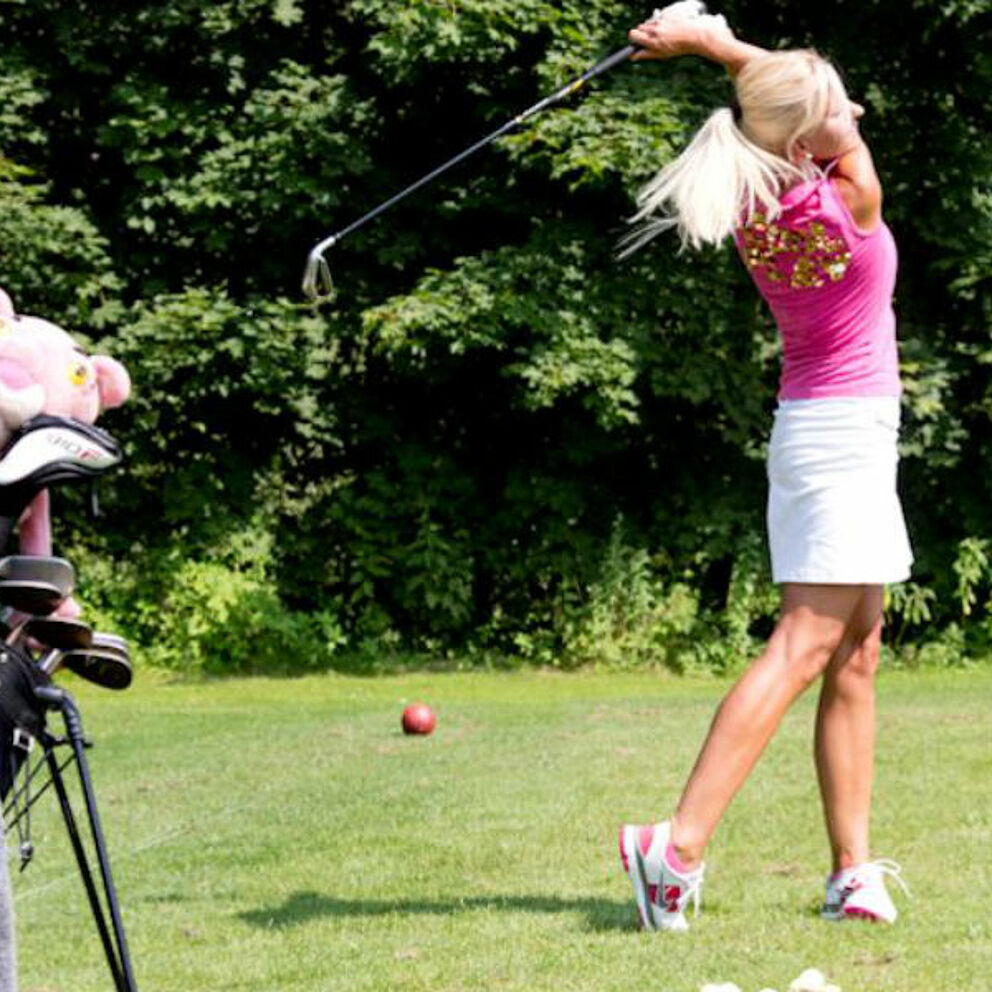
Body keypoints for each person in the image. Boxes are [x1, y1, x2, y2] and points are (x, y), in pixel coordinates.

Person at [617, 10, 912, 931]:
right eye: (836, 108)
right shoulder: (847, 195)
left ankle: (851, 872)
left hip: (824, 432)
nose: (851, 109)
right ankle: (678, 845)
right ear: (812, 137)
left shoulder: (754, 189)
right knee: (805, 645)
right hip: (843, 438)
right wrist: (714, 41)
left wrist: (717, 46)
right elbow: (806, 106)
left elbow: (778, 99)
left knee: (855, 646)